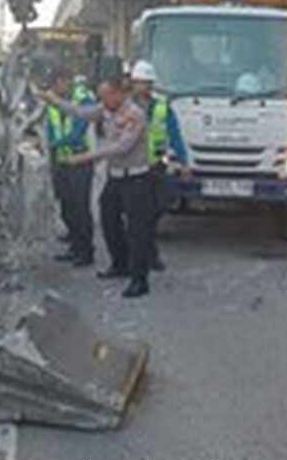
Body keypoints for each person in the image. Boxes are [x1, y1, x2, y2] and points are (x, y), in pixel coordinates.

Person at [40, 77, 154, 299]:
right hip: (115, 176)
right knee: (108, 219)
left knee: (137, 230)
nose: (103, 102)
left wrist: (84, 158)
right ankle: (120, 264)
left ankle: (140, 280)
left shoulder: (134, 114)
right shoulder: (106, 109)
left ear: (118, 94)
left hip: (136, 178)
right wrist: (53, 100)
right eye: (101, 97)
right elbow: (80, 112)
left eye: (106, 96)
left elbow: (121, 147)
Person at [129, 60, 191, 271]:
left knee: (160, 206)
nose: (142, 87)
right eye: (138, 82)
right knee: (138, 214)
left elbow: (175, 136)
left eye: (146, 83)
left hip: (156, 166)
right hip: (133, 167)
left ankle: (147, 251)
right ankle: (147, 256)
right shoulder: (125, 106)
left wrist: (184, 162)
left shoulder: (162, 107)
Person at [43, 67, 96, 267]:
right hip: (62, 162)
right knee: (67, 208)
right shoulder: (54, 102)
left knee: (80, 208)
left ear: (65, 81)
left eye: (57, 85)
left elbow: (77, 133)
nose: (55, 91)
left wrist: (52, 145)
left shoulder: (84, 99)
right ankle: (74, 246)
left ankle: (86, 251)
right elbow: (50, 127)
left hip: (81, 161)